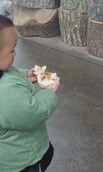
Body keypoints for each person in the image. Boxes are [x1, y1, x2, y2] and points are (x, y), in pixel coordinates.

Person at [0, 15, 60, 171]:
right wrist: (49, 93)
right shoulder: (4, 92)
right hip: (23, 160)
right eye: (12, 50)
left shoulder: (3, 73)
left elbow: (9, 73)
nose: (15, 54)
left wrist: (25, 75)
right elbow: (33, 113)